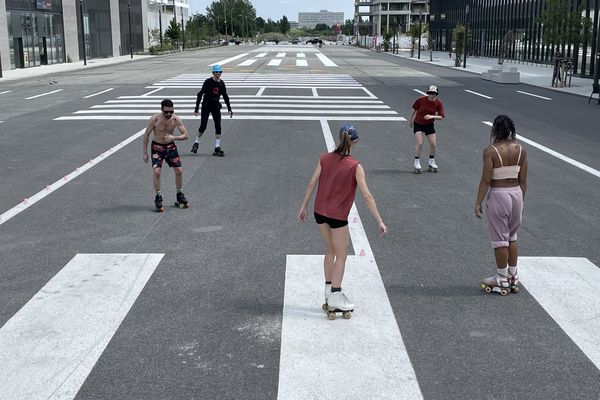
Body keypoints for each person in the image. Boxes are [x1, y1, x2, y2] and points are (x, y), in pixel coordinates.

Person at [298, 124, 388, 315]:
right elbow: (367, 197)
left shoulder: (324, 158)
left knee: (330, 250)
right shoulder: (355, 166)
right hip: (337, 216)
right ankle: (335, 296)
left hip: (319, 212)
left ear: (340, 138)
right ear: (355, 141)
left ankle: (327, 291)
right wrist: (379, 220)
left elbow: (312, 182)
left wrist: (304, 206)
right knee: (342, 254)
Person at [475, 115, 528, 295]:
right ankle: (513, 276)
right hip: (516, 194)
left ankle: (501, 278)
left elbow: (485, 180)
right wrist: (521, 200)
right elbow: (523, 180)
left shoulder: (490, 151)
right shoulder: (521, 150)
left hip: (499, 195)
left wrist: (478, 202)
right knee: (512, 236)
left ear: (494, 130)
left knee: (500, 239)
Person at [143, 99, 190, 211]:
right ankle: (158, 197)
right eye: (166, 112)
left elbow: (186, 135)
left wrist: (174, 137)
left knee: (179, 171)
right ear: (161, 110)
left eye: (171, 111)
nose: (169, 114)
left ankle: (179, 194)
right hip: (157, 147)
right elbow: (146, 135)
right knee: (156, 172)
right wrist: (145, 153)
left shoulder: (176, 119)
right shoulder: (155, 119)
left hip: (170, 147)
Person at [192, 64, 233, 157]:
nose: (218, 73)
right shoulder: (208, 82)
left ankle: (217, 146)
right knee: (203, 126)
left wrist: (229, 109)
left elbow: (225, 96)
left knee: (218, 126)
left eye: (220, 72)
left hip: (215, 105)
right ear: (213, 73)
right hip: (206, 104)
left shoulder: (222, 83)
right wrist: (196, 108)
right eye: (216, 72)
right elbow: (200, 94)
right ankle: (196, 142)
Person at [409, 85, 445, 173]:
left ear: (436, 94)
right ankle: (416, 162)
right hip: (418, 123)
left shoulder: (438, 103)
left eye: (434, 93)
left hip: (429, 124)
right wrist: (410, 120)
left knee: (433, 144)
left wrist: (431, 116)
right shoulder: (421, 100)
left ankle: (431, 161)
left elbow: (442, 117)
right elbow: (414, 110)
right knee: (420, 143)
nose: (432, 95)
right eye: (430, 93)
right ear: (427, 93)